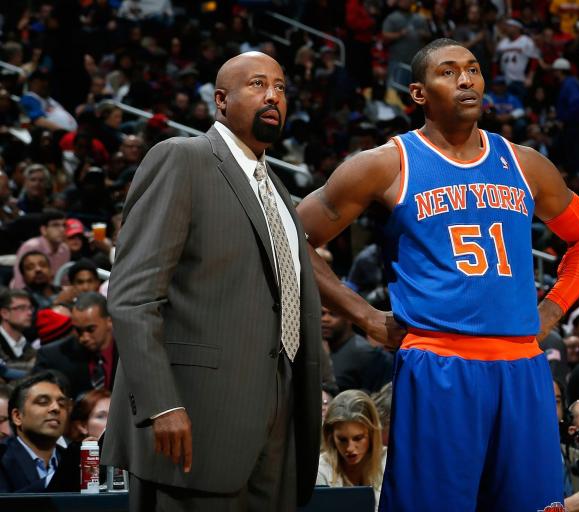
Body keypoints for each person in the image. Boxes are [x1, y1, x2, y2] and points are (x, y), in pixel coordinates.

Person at [297, 38, 579, 512]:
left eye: (473, 69)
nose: (466, 80)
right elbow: (291, 235)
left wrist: (554, 307)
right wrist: (364, 316)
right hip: (439, 362)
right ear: (419, 93)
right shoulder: (387, 163)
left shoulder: (524, 163)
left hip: (522, 365)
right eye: (449, 71)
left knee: (537, 506)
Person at [102, 51, 322, 512]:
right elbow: (132, 297)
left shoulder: (276, 188)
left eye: (280, 87)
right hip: (195, 418)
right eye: (258, 84)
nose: (273, 96)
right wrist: (161, 404)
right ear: (221, 100)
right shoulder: (183, 158)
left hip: (277, 418)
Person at [0, 371, 80, 492]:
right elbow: (8, 501)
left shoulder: (71, 460)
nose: (56, 408)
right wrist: (57, 478)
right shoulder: (3, 458)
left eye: (62, 404)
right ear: (17, 416)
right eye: (43, 402)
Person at [33, 292, 118, 398]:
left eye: (90, 329)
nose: (84, 338)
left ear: (109, 321)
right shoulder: (52, 356)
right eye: (78, 330)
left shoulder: (132, 350)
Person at [316, 389, 386, 509]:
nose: (350, 448)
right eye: (342, 440)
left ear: (372, 433)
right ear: (331, 436)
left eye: (358, 438)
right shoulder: (321, 470)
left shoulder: (389, 462)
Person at [321, 305, 393, 393]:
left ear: (349, 318)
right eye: (322, 314)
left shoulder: (364, 353)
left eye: (333, 314)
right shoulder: (325, 350)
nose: (325, 319)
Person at [11, 208, 70, 290]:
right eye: (55, 225)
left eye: (64, 225)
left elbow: (63, 280)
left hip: (52, 292)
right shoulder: (30, 247)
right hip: (27, 292)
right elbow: (19, 281)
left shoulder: (65, 249)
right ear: (43, 230)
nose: (62, 229)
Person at [0, 289, 36, 373]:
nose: (30, 313)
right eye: (22, 308)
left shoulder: (27, 345)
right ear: (5, 313)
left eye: (30, 308)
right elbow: (3, 367)